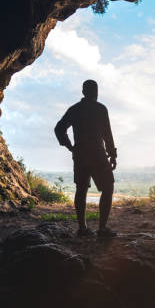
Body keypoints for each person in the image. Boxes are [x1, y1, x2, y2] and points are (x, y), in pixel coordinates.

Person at [54, 80, 117, 237]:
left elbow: (59, 128)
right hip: (97, 154)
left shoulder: (75, 109)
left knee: (81, 190)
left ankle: (82, 228)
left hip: (81, 155)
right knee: (108, 187)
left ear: (83, 92)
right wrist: (113, 154)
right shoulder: (101, 109)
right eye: (95, 90)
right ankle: (102, 229)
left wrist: (71, 147)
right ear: (95, 92)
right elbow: (107, 134)